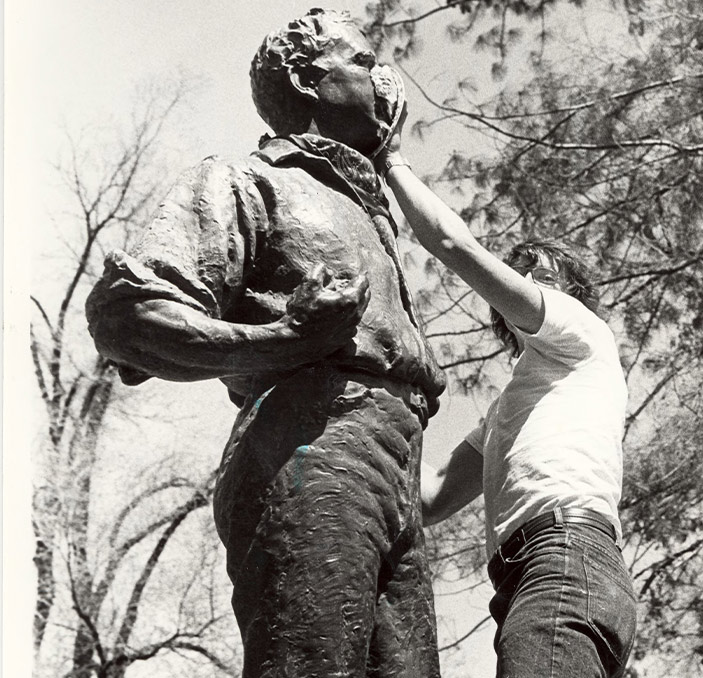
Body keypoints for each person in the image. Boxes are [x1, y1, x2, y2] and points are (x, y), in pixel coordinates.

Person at [85, 10, 444, 678]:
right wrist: (280, 338)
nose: (384, 79)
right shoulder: (249, 181)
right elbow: (128, 318)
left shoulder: (370, 211)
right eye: (364, 62)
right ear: (308, 81)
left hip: (401, 470)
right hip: (309, 446)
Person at [377, 111, 637, 677]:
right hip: (528, 576)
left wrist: (390, 162)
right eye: (520, 276)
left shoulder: (582, 333)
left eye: (538, 276)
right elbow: (431, 499)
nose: (523, 283)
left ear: (571, 291)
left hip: (567, 557)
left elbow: (451, 242)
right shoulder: (508, 411)